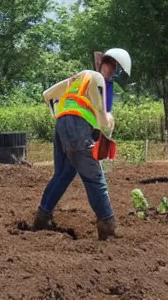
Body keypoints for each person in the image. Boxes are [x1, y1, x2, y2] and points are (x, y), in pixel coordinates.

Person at [32, 48, 132, 240]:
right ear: (101, 63)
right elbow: (102, 116)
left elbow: (47, 94)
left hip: (63, 126)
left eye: (113, 67)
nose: (110, 70)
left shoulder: (80, 79)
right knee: (95, 177)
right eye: (109, 64)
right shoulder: (95, 78)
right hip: (77, 128)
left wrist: (62, 116)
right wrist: (108, 127)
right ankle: (108, 226)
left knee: (64, 173)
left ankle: (42, 218)